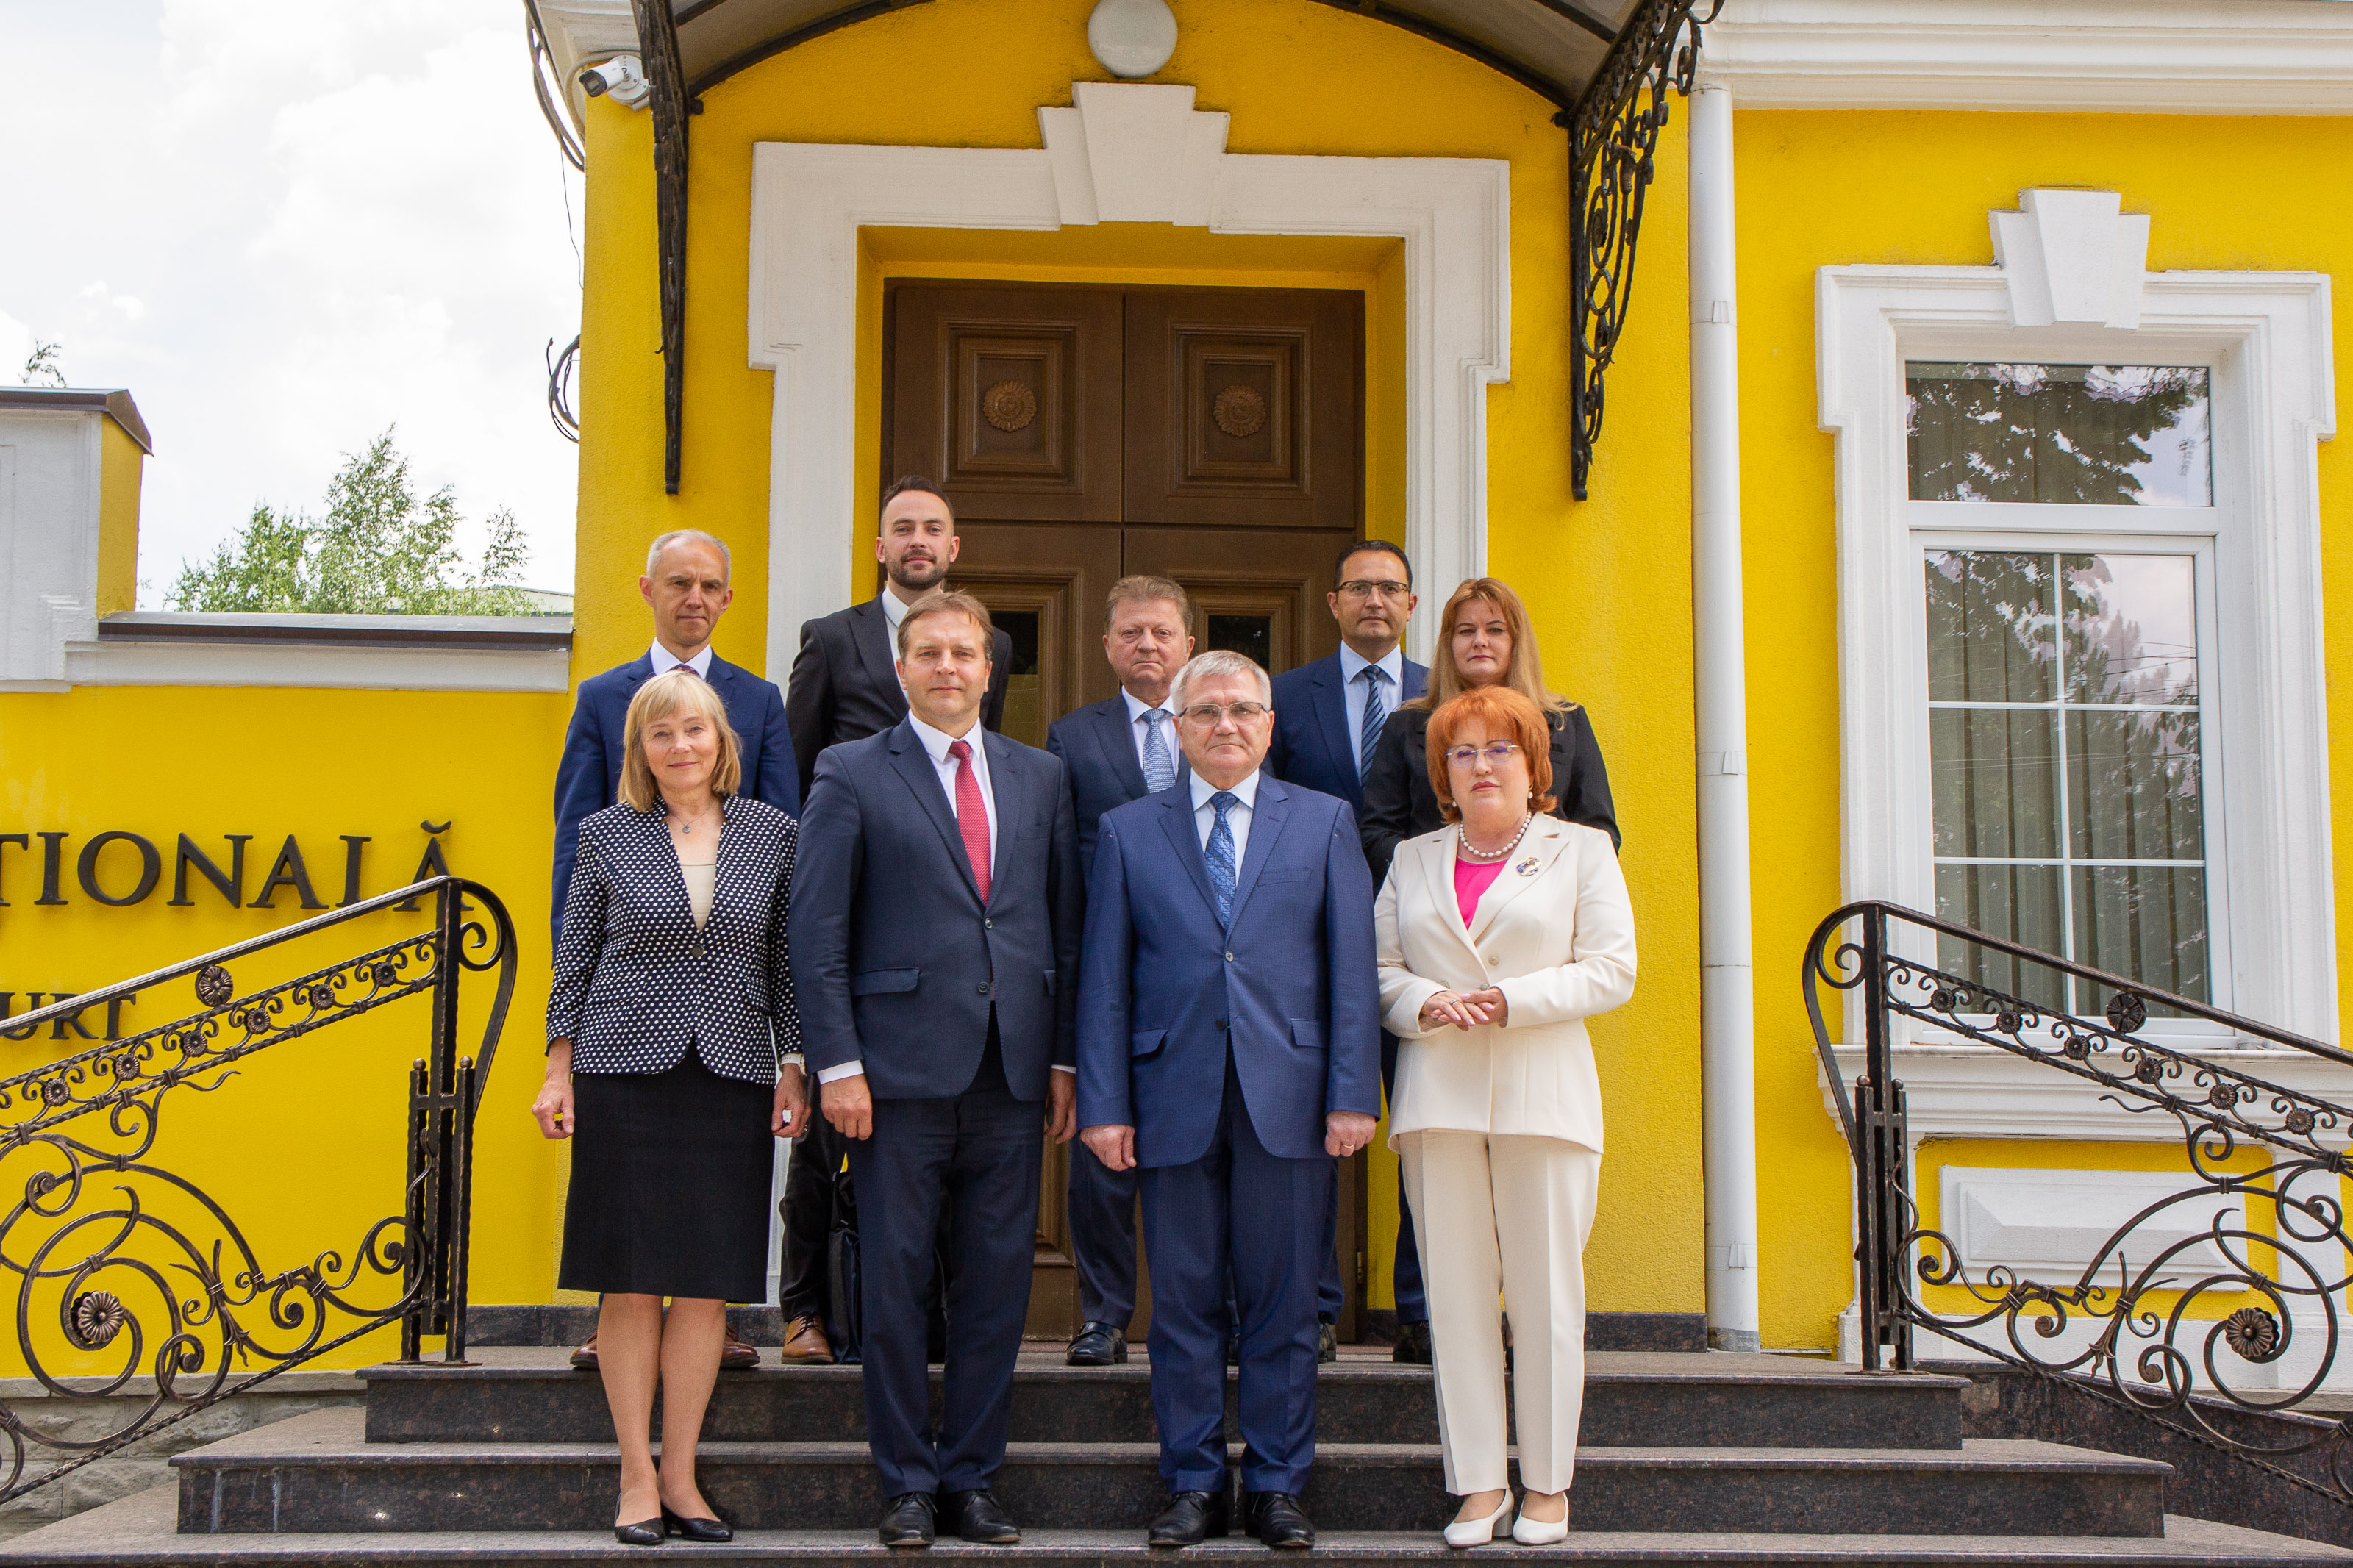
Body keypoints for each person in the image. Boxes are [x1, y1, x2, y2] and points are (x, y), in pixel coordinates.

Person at [788, 590, 1082, 1549]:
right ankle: (907, 1483)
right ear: (902, 668)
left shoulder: (1041, 776)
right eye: (930, 653)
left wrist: (1064, 1056)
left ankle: (973, 1479)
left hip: (1010, 1073)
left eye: (964, 653)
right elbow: (817, 933)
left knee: (996, 1289)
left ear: (989, 670)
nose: (948, 667)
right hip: (893, 1078)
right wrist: (837, 1065)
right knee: (896, 1285)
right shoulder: (849, 770)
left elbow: (1061, 928)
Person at [1076, 650, 1381, 1550]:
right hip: (1168, 1096)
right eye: (1205, 711)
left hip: (1289, 1096)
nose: (1225, 725)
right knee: (1181, 1306)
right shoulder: (1128, 830)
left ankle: (1278, 1485)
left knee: (1284, 1306)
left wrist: (1352, 1093)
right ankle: (1193, 1482)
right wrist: (1103, 1103)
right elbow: (1104, 980)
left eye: (1243, 709)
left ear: (1269, 725)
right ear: (1177, 729)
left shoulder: (1323, 821)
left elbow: (1351, 972)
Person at [534, 669, 811, 1546]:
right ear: (640, 751)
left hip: (730, 1072)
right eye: (661, 734)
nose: (679, 746)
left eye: (694, 729)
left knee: (703, 1286)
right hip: (622, 1071)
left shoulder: (773, 832)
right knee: (629, 1281)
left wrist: (793, 1064)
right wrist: (556, 1072)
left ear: (721, 741)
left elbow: (785, 962)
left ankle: (683, 1476)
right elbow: (575, 957)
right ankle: (635, 1477)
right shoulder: (605, 833)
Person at [1373, 686, 1635, 1547]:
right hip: (1438, 1099)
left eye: (1499, 750)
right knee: (1453, 1304)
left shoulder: (1580, 849)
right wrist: (1421, 1002)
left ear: (1533, 766)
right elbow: (1377, 970)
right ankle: (1479, 1486)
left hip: (1541, 1098)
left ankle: (1547, 1486)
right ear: (1441, 773)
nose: (1480, 765)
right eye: (1462, 752)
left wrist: (1510, 1000)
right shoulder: (1411, 857)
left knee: (1544, 1300)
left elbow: (1612, 969)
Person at [774, 476, 1015, 1365]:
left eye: (932, 528)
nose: (917, 540)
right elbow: (795, 771)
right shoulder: (832, 639)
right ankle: (805, 1306)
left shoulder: (990, 645)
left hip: (943, 929)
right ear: (880, 546)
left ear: (953, 548)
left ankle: (936, 1317)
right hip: (854, 908)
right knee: (826, 1136)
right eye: (902, 527)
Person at [551, 528, 797, 1373]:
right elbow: (575, 845)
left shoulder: (759, 700)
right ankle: (616, 1319)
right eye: (678, 582)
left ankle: (708, 1319)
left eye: (709, 585)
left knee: (709, 1197)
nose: (694, 597)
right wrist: (571, 994)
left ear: (726, 598)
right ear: (648, 589)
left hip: (729, 997)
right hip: (629, 989)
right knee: (622, 1190)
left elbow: (784, 846)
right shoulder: (601, 697)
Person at [1268, 538, 1431, 1364]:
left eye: (1389, 588)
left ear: (1411, 605)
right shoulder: (1281, 697)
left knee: (1426, 1129)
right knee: (1309, 1133)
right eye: (1359, 588)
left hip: (1424, 948)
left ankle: (1421, 1310)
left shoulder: (1446, 696)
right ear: (1332, 602)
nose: (1374, 601)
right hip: (1307, 943)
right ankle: (1314, 1307)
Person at [1043, 575, 1193, 1369]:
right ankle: (1102, 1315)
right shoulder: (1073, 737)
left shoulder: (1222, 724)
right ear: (1106, 646)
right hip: (1106, 965)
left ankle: (1201, 1313)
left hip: (1200, 971)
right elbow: (1058, 858)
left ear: (1188, 645)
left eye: (1162, 632)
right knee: (1101, 1148)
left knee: (1200, 1147)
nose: (1147, 645)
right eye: (1131, 632)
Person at [1360, 576, 1619, 889]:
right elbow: (1377, 833)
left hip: (1546, 897)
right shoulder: (1406, 724)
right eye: (1466, 631)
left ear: (1516, 641)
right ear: (1449, 643)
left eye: (1495, 630)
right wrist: (1431, 875)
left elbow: (1600, 831)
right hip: (1435, 898)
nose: (1480, 641)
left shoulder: (1566, 721)